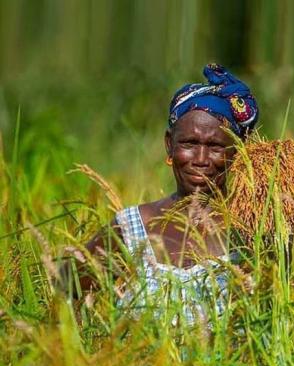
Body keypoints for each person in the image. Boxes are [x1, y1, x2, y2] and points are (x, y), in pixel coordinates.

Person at [66, 63, 260, 325]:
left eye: (215, 146)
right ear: (169, 145)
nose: (201, 159)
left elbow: (271, 314)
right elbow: (65, 288)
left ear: (236, 154)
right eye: (189, 144)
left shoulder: (252, 231)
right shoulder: (133, 227)